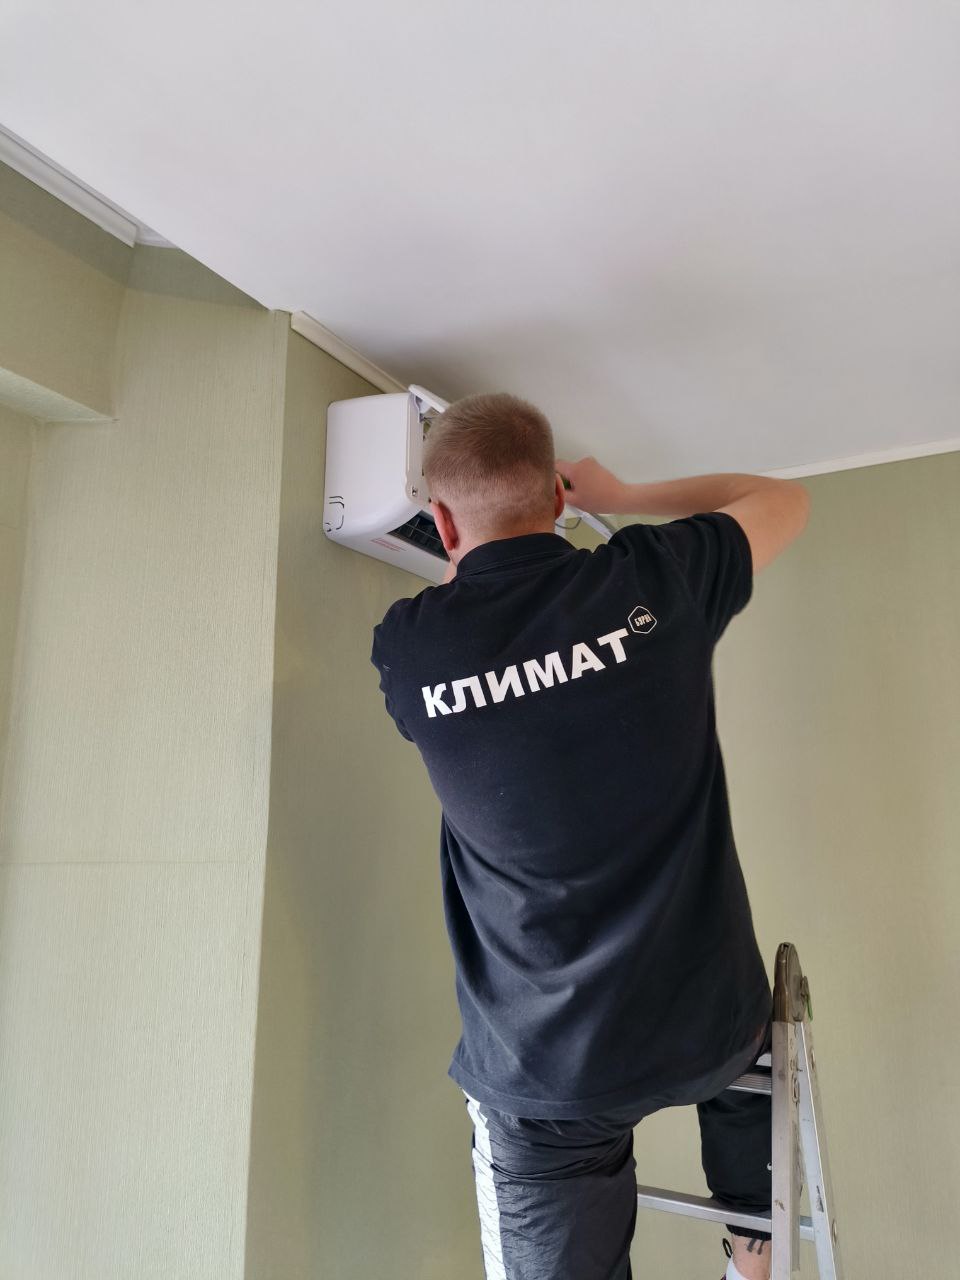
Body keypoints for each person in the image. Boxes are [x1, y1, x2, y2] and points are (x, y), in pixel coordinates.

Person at [370, 392, 810, 1280]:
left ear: (442, 522)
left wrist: (476, 550)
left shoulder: (410, 649)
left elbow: (484, 623)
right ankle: (751, 1260)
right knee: (749, 1100)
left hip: (549, 1072)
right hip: (713, 1026)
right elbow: (783, 499)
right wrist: (623, 496)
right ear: (557, 496)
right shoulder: (652, 579)